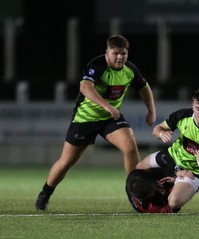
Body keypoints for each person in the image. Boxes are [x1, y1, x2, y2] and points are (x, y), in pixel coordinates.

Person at [35, 34, 156, 211]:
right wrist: (107, 106)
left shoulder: (130, 69)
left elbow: (144, 87)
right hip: (86, 119)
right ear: (107, 52)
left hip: (110, 119)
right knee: (66, 161)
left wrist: (151, 111)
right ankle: (45, 193)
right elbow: (85, 88)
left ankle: (134, 193)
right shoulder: (97, 65)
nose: (120, 57)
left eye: (123, 53)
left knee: (130, 147)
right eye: (116, 53)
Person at [135, 88, 199, 212]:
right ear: (193, 107)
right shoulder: (182, 116)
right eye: (198, 108)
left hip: (193, 169)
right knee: (139, 169)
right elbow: (157, 129)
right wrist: (161, 134)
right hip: (173, 157)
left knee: (174, 203)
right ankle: (173, 180)